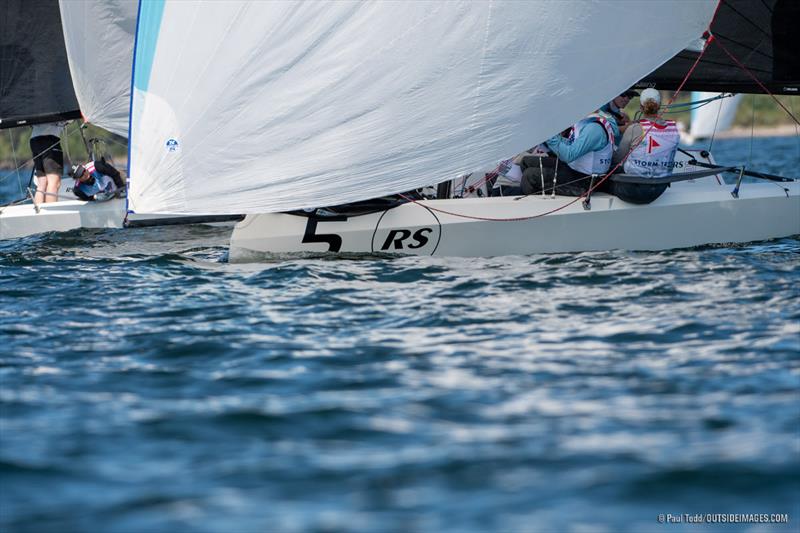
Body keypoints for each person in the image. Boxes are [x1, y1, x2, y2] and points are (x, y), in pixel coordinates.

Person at [520, 110, 617, 196]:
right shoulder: (587, 120)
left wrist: (549, 135)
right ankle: (534, 194)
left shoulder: (594, 129)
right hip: (575, 169)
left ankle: (538, 208)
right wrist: (554, 137)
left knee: (529, 176)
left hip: (585, 180)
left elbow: (568, 155)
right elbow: (572, 143)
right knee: (526, 162)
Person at [609, 88, 679, 204]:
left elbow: (617, 160)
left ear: (641, 107)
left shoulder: (635, 128)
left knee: (597, 179)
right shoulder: (674, 128)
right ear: (659, 105)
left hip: (633, 190)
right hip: (659, 189)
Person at [29, 121, 67, 203]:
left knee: (42, 183)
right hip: (49, 139)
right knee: (53, 183)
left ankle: (38, 212)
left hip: (34, 140)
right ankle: (51, 214)